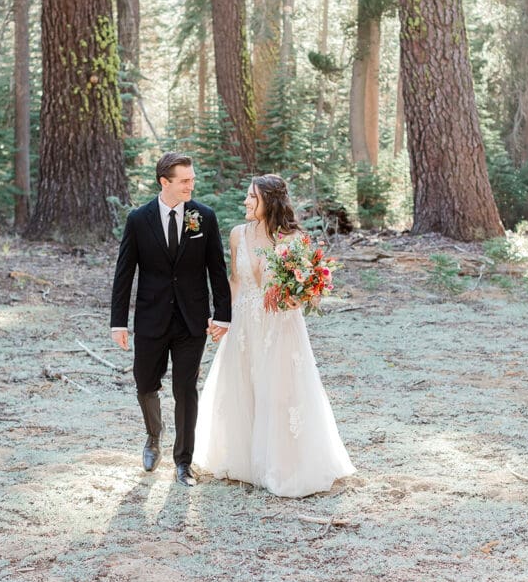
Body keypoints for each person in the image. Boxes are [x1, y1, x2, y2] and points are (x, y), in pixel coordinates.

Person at [193, 174, 354, 497]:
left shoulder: (290, 239)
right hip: (244, 324)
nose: (246, 203)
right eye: (247, 197)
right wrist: (223, 317)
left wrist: (298, 297)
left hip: (279, 325)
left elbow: (309, 290)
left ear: (270, 201)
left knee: (279, 393)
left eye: (252, 197)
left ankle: (282, 465)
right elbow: (235, 281)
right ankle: (245, 463)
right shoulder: (238, 234)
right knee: (242, 388)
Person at [110, 153, 231, 487]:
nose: (191, 185)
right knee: (145, 383)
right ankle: (153, 437)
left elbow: (217, 271)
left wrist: (223, 315)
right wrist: (118, 322)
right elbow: (124, 273)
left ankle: (183, 461)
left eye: (192, 179)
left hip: (192, 321)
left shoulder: (203, 217)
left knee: (185, 389)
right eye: (184, 181)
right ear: (164, 182)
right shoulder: (138, 219)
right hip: (151, 317)